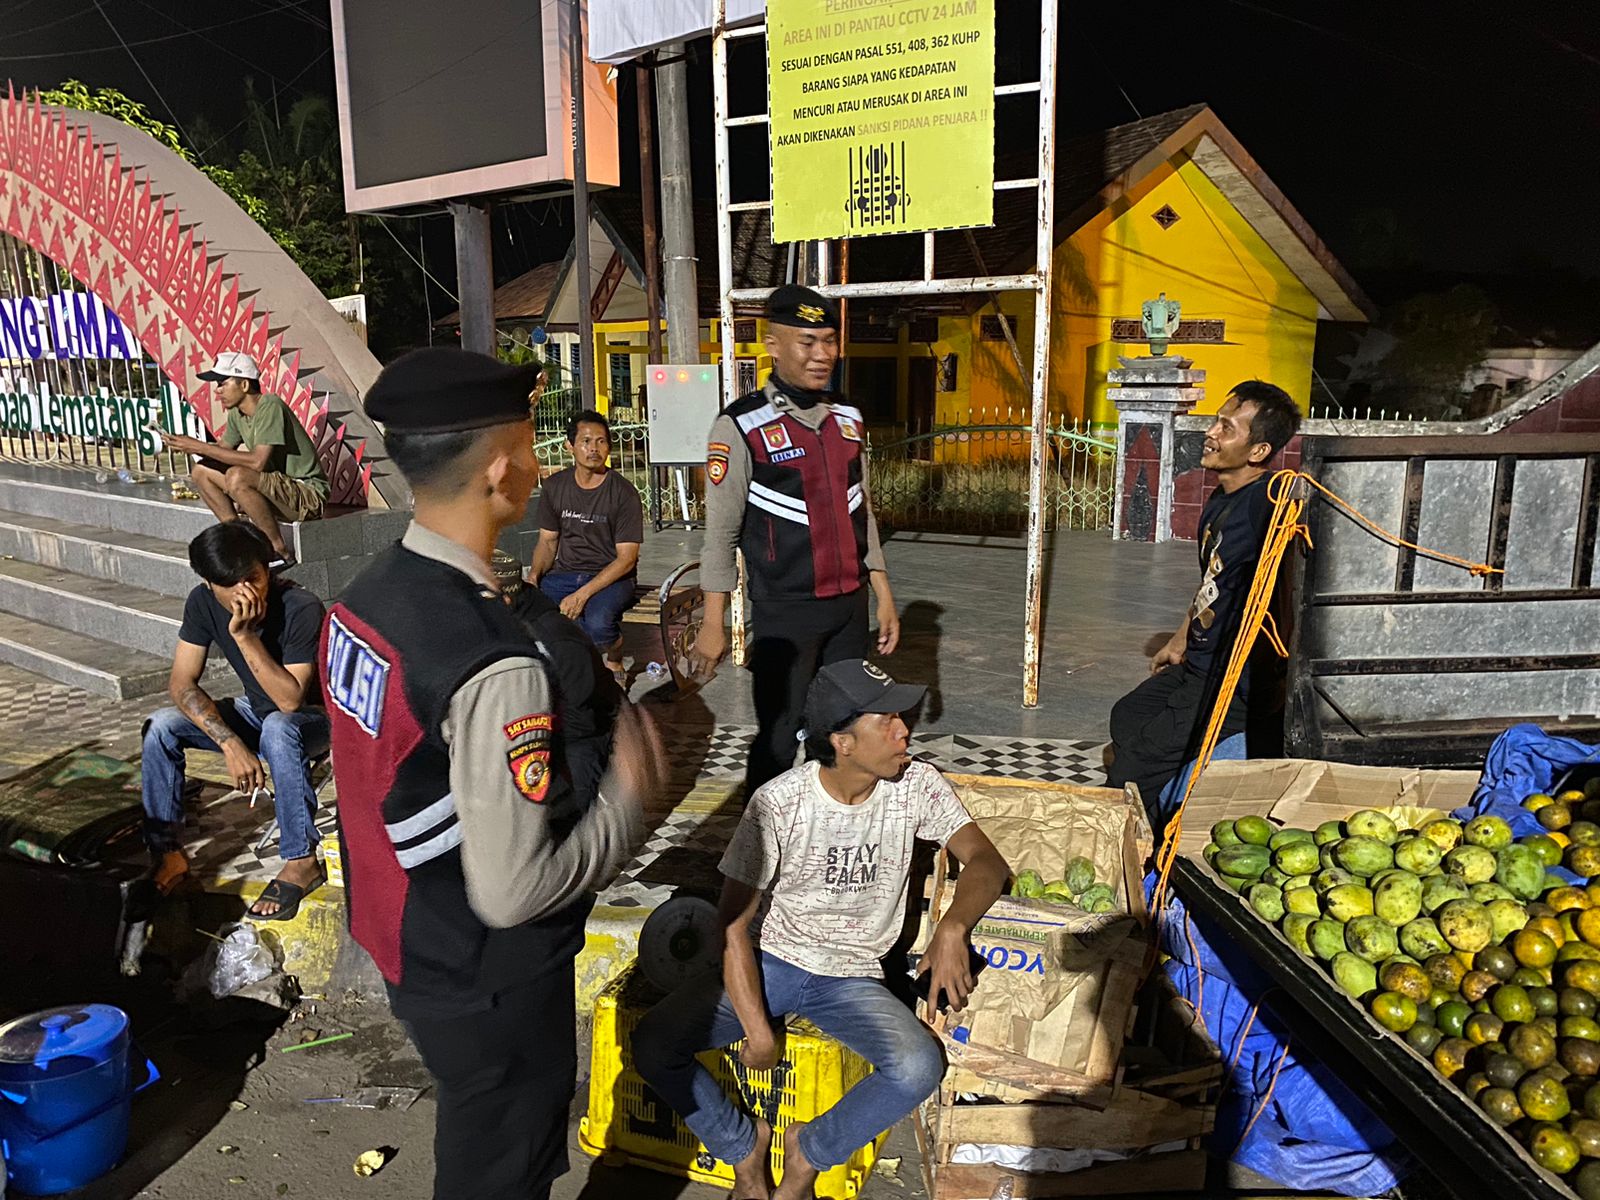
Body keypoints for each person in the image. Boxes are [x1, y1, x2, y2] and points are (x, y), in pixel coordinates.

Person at [319, 347, 662, 1200]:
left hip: (404, 935)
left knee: (483, 1137)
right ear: (501, 470)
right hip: (485, 971)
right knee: (502, 1162)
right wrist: (636, 796)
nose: (545, 466)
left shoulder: (366, 596)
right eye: (535, 447)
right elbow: (514, 891)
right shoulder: (491, 659)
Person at [634, 660, 1008, 1200]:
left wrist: (953, 929)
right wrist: (758, 1030)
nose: (905, 729)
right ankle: (743, 1147)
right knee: (654, 1045)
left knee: (918, 1067)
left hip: (853, 976)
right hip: (773, 962)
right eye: (886, 720)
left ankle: (809, 1152)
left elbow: (986, 863)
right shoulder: (780, 804)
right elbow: (732, 927)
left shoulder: (917, 785)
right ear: (843, 741)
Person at [690, 285, 900, 797]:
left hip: (848, 610)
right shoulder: (740, 426)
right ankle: (760, 852)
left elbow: (862, 507)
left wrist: (883, 595)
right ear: (772, 344)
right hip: (786, 615)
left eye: (829, 341)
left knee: (844, 732)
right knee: (780, 737)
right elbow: (719, 534)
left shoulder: (848, 419)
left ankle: (834, 830)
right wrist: (713, 623)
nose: (822, 354)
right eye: (807, 342)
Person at [1106, 380, 1302, 826]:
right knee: (1128, 715)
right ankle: (1171, 781)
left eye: (1227, 428)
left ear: (1258, 451)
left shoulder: (1264, 504)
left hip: (1231, 681)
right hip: (1198, 663)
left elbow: (1300, 524)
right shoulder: (1219, 502)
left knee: (1135, 762)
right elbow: (1209, 583)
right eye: (1216, 421)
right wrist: (1178, 640)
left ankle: (1146, 845)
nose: (1211, 433)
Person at [140, 522, 329, 920]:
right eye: (233, 584)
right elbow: (180, 682)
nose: (249, 591)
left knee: (278, 726)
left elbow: (291, 700)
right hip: (254, 714)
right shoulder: (201, 602)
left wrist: (245, 637)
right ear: (210, 584)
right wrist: (230, 742)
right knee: (161, 725)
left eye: (255, 578)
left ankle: (301, 860)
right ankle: (169, 855)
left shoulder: (300, 605)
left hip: (313, 722)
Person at [162, 351, 330, 567]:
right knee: (201, 471)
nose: (217, 390)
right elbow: (222, 451)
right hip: (278, 488)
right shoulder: (237, 414)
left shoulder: (270, 405)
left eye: (222, 383)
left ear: (244, 385)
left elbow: (257, 462)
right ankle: (237, 538)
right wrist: (184, 445)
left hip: (308, 495)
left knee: (238, 476)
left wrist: (200, 446)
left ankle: (278, 551)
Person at [529, 409, 645, 675]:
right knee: (531, 614)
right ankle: (567, 668)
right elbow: (548, 542)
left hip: (612, 578)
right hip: (564, 573)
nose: (594, 448)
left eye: (601, 441)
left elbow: (627, 558)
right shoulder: (554, 487)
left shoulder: (624, 493)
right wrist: (534, 576)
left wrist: (582, 595)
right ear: (570, 446)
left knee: (599, 625)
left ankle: (614, 658)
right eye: (586, 441)